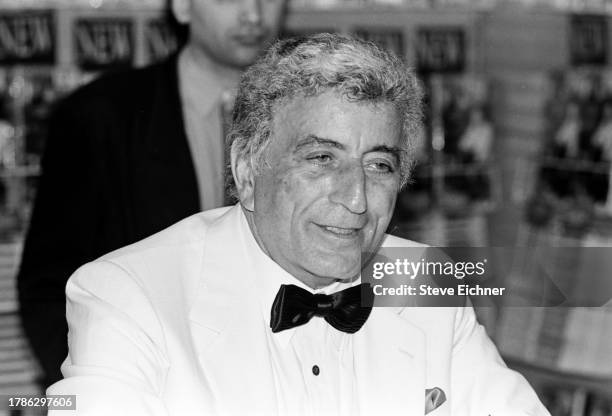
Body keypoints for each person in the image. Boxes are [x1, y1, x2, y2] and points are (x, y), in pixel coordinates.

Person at [48, 34, 549, 416]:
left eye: (379, 165)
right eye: (321, 158)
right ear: (247, 170)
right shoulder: (130, 296)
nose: (356, 200)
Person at [17, 0, 286, 387]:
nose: (253, 13)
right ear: (181, 6)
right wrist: (101, 389)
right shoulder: (100, 117)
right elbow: (48, 288)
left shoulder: (328, 116)